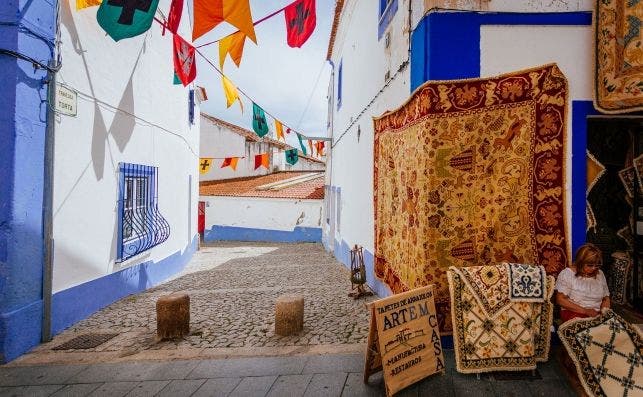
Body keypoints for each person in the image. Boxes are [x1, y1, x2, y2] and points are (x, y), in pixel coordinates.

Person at [555, 243, 611, 322]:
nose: (594, 268)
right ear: (581, 262)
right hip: (574, 312)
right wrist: (585, 311)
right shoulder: (567, 274)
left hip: (597, 313)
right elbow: (560, 300)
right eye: (590, 265)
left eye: (597, 265)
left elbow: (606, 298)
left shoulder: (600, 274)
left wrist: (605, 313)